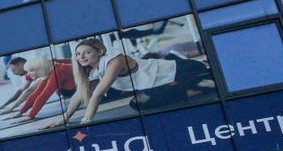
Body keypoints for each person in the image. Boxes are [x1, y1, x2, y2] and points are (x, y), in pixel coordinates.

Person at [40, 37, 211, 128]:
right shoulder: (93, 71)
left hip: (183, 70)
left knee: (206, 74)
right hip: (160, 84)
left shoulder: (115, 61)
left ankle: (200, 78)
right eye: (78, 54)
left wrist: (86, 122)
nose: (81, 57)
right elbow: (79, 95)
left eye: (86, 52)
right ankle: (192, 90)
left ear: (99, 52)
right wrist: (64, 119)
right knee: (138, 103)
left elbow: (97, 95)